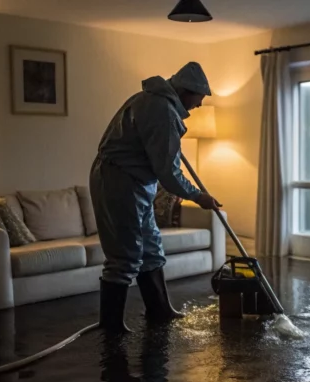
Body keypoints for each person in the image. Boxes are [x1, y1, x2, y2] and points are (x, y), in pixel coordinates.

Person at [90, 62, 221, 334]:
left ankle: (159, 309)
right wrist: (198, 196)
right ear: (187, 91)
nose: (198, 106)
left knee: (151, 248)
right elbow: (168, 174)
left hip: (137, 183)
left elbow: (159, 161)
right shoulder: (162, 111)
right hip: (119, 181)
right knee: (125, 256)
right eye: (199, 99)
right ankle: (111, 326)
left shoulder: (156, 104)